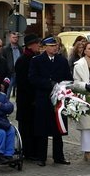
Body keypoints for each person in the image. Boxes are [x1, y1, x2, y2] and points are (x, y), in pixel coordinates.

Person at [29, 36, 72, 166]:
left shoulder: (62, 60)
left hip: (59, 99)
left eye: (56, 45)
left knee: (58, 128)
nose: (55, 48)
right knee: (42, 129)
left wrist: (63, 87)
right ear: (45, 47)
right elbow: (32, 78)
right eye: (52, 46)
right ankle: (42, 157)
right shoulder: (37, 61)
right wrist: (49, 83)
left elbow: (69, 78)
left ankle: (59, 156)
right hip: (44, 98)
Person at [14, 34, 42, 162]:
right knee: (26, 126)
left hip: (35, 99)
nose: (39, 46)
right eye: (37, 43)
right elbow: (23, 82)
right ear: (31, 45)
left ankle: (35, 150)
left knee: (35, 126)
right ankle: (27, 151)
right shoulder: (23, 60)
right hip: (26, 99)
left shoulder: (36, 58)